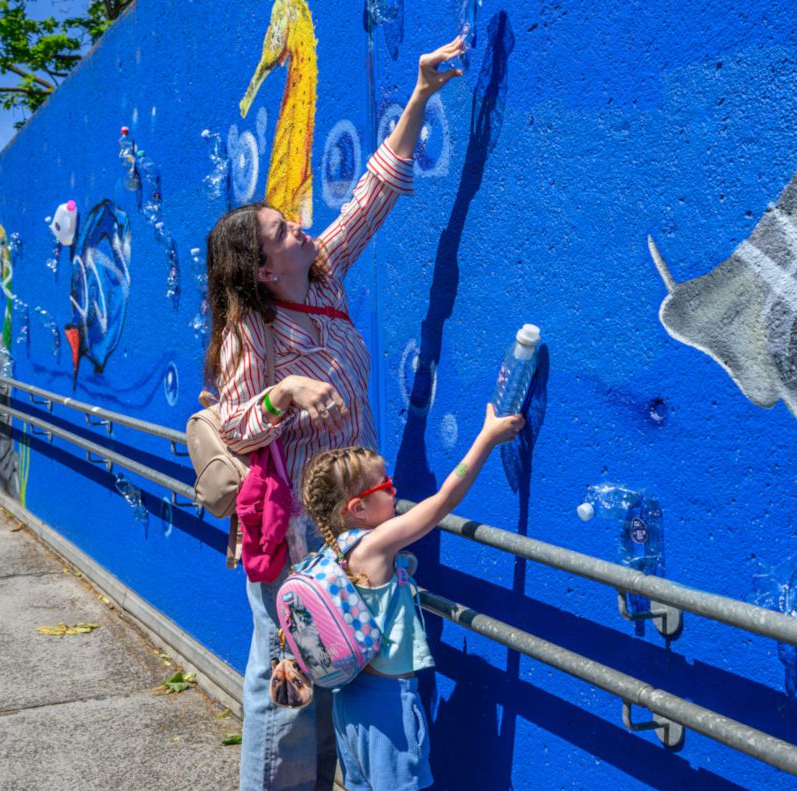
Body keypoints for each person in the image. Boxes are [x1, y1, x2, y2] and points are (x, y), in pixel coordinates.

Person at [203, 36, 468, 791]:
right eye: (281, 230)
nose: (298, 226)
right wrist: (285, 394)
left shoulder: (319, 273)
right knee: (287, 688)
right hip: (292, 532)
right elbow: (237, 423)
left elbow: (374, 193)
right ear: (260, 267)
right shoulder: (251, 328)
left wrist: (419, 95)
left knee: (343, 666)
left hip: (346, 523)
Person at [299, 404, 524, 791]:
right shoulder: (375, 545)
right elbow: (444, 502)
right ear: (359, 509)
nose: (394, 488)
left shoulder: (333, 552)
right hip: (386, 706)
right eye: (384, 485)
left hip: (348, 702)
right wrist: (486, 439)